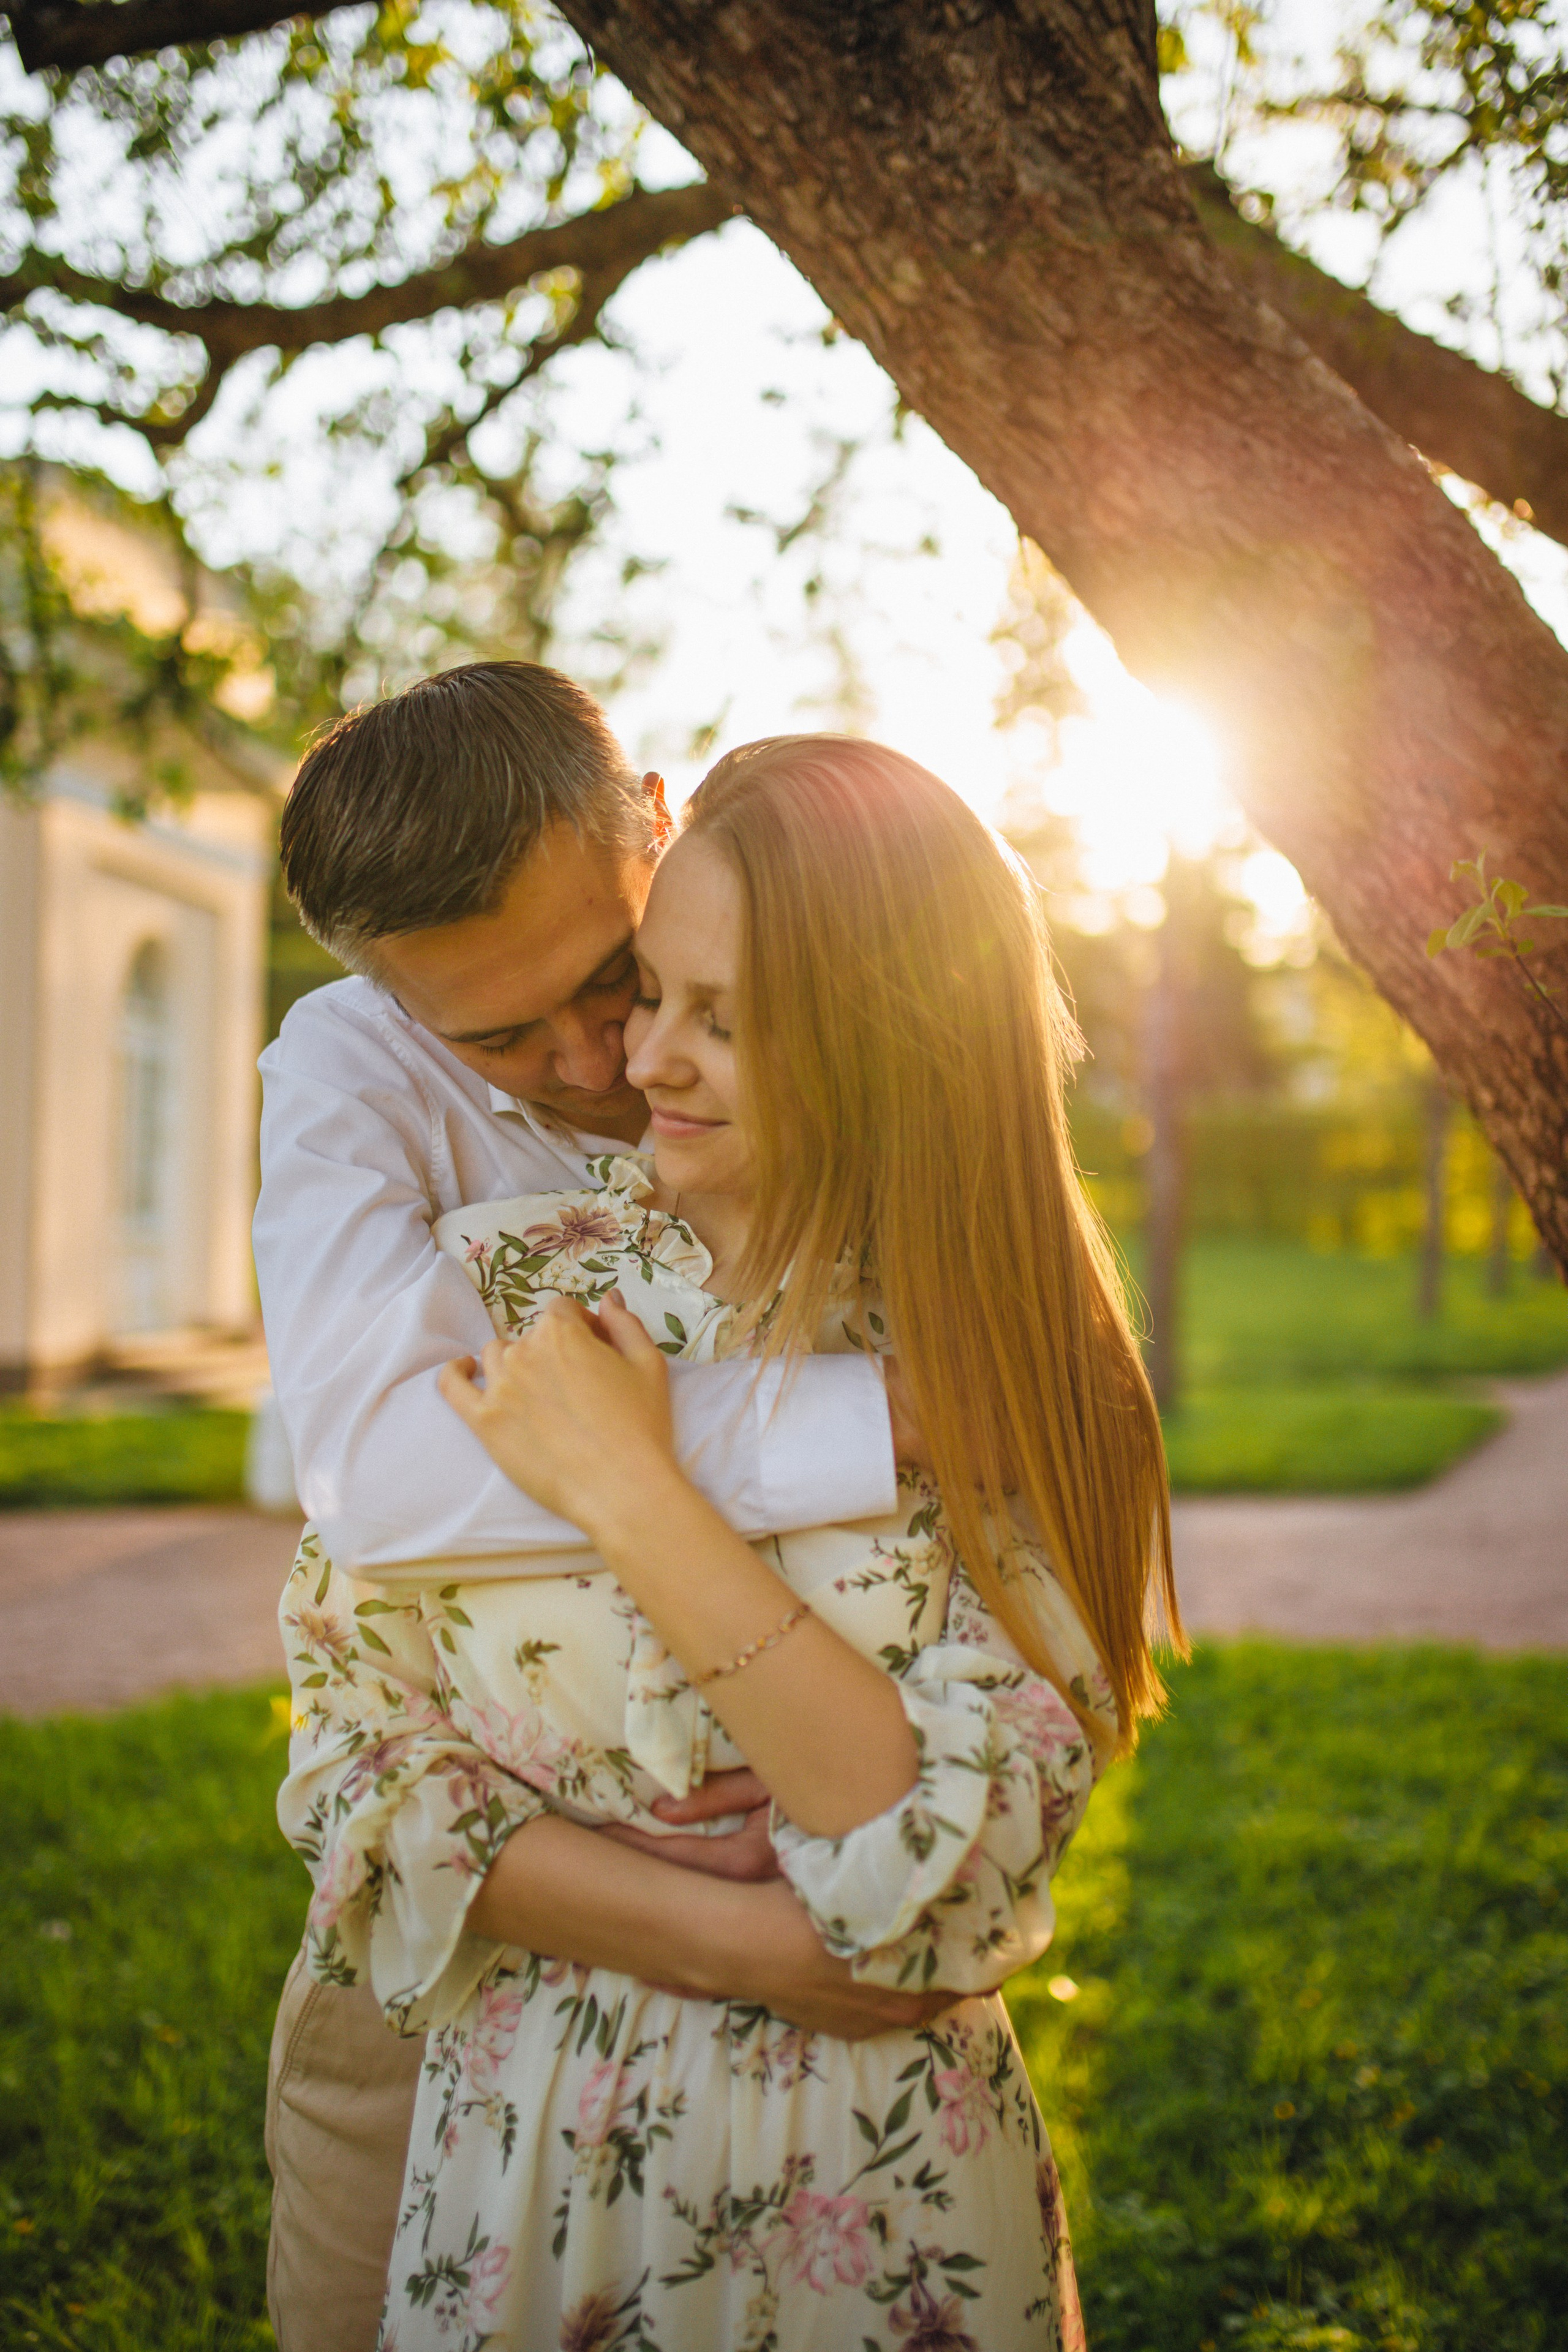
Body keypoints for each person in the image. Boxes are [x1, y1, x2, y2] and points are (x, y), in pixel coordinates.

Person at [276, 734, 1181, 2347]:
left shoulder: (998, 1358)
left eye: (688, 1005)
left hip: (877, 2185)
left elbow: (945, 1881)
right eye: (657, 1000)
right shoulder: (493, 1284)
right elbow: (349, 1751)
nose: (629, 1060)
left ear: (887, 1030)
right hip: (517, 2169)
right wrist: (749, 1937)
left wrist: (634, 1494)